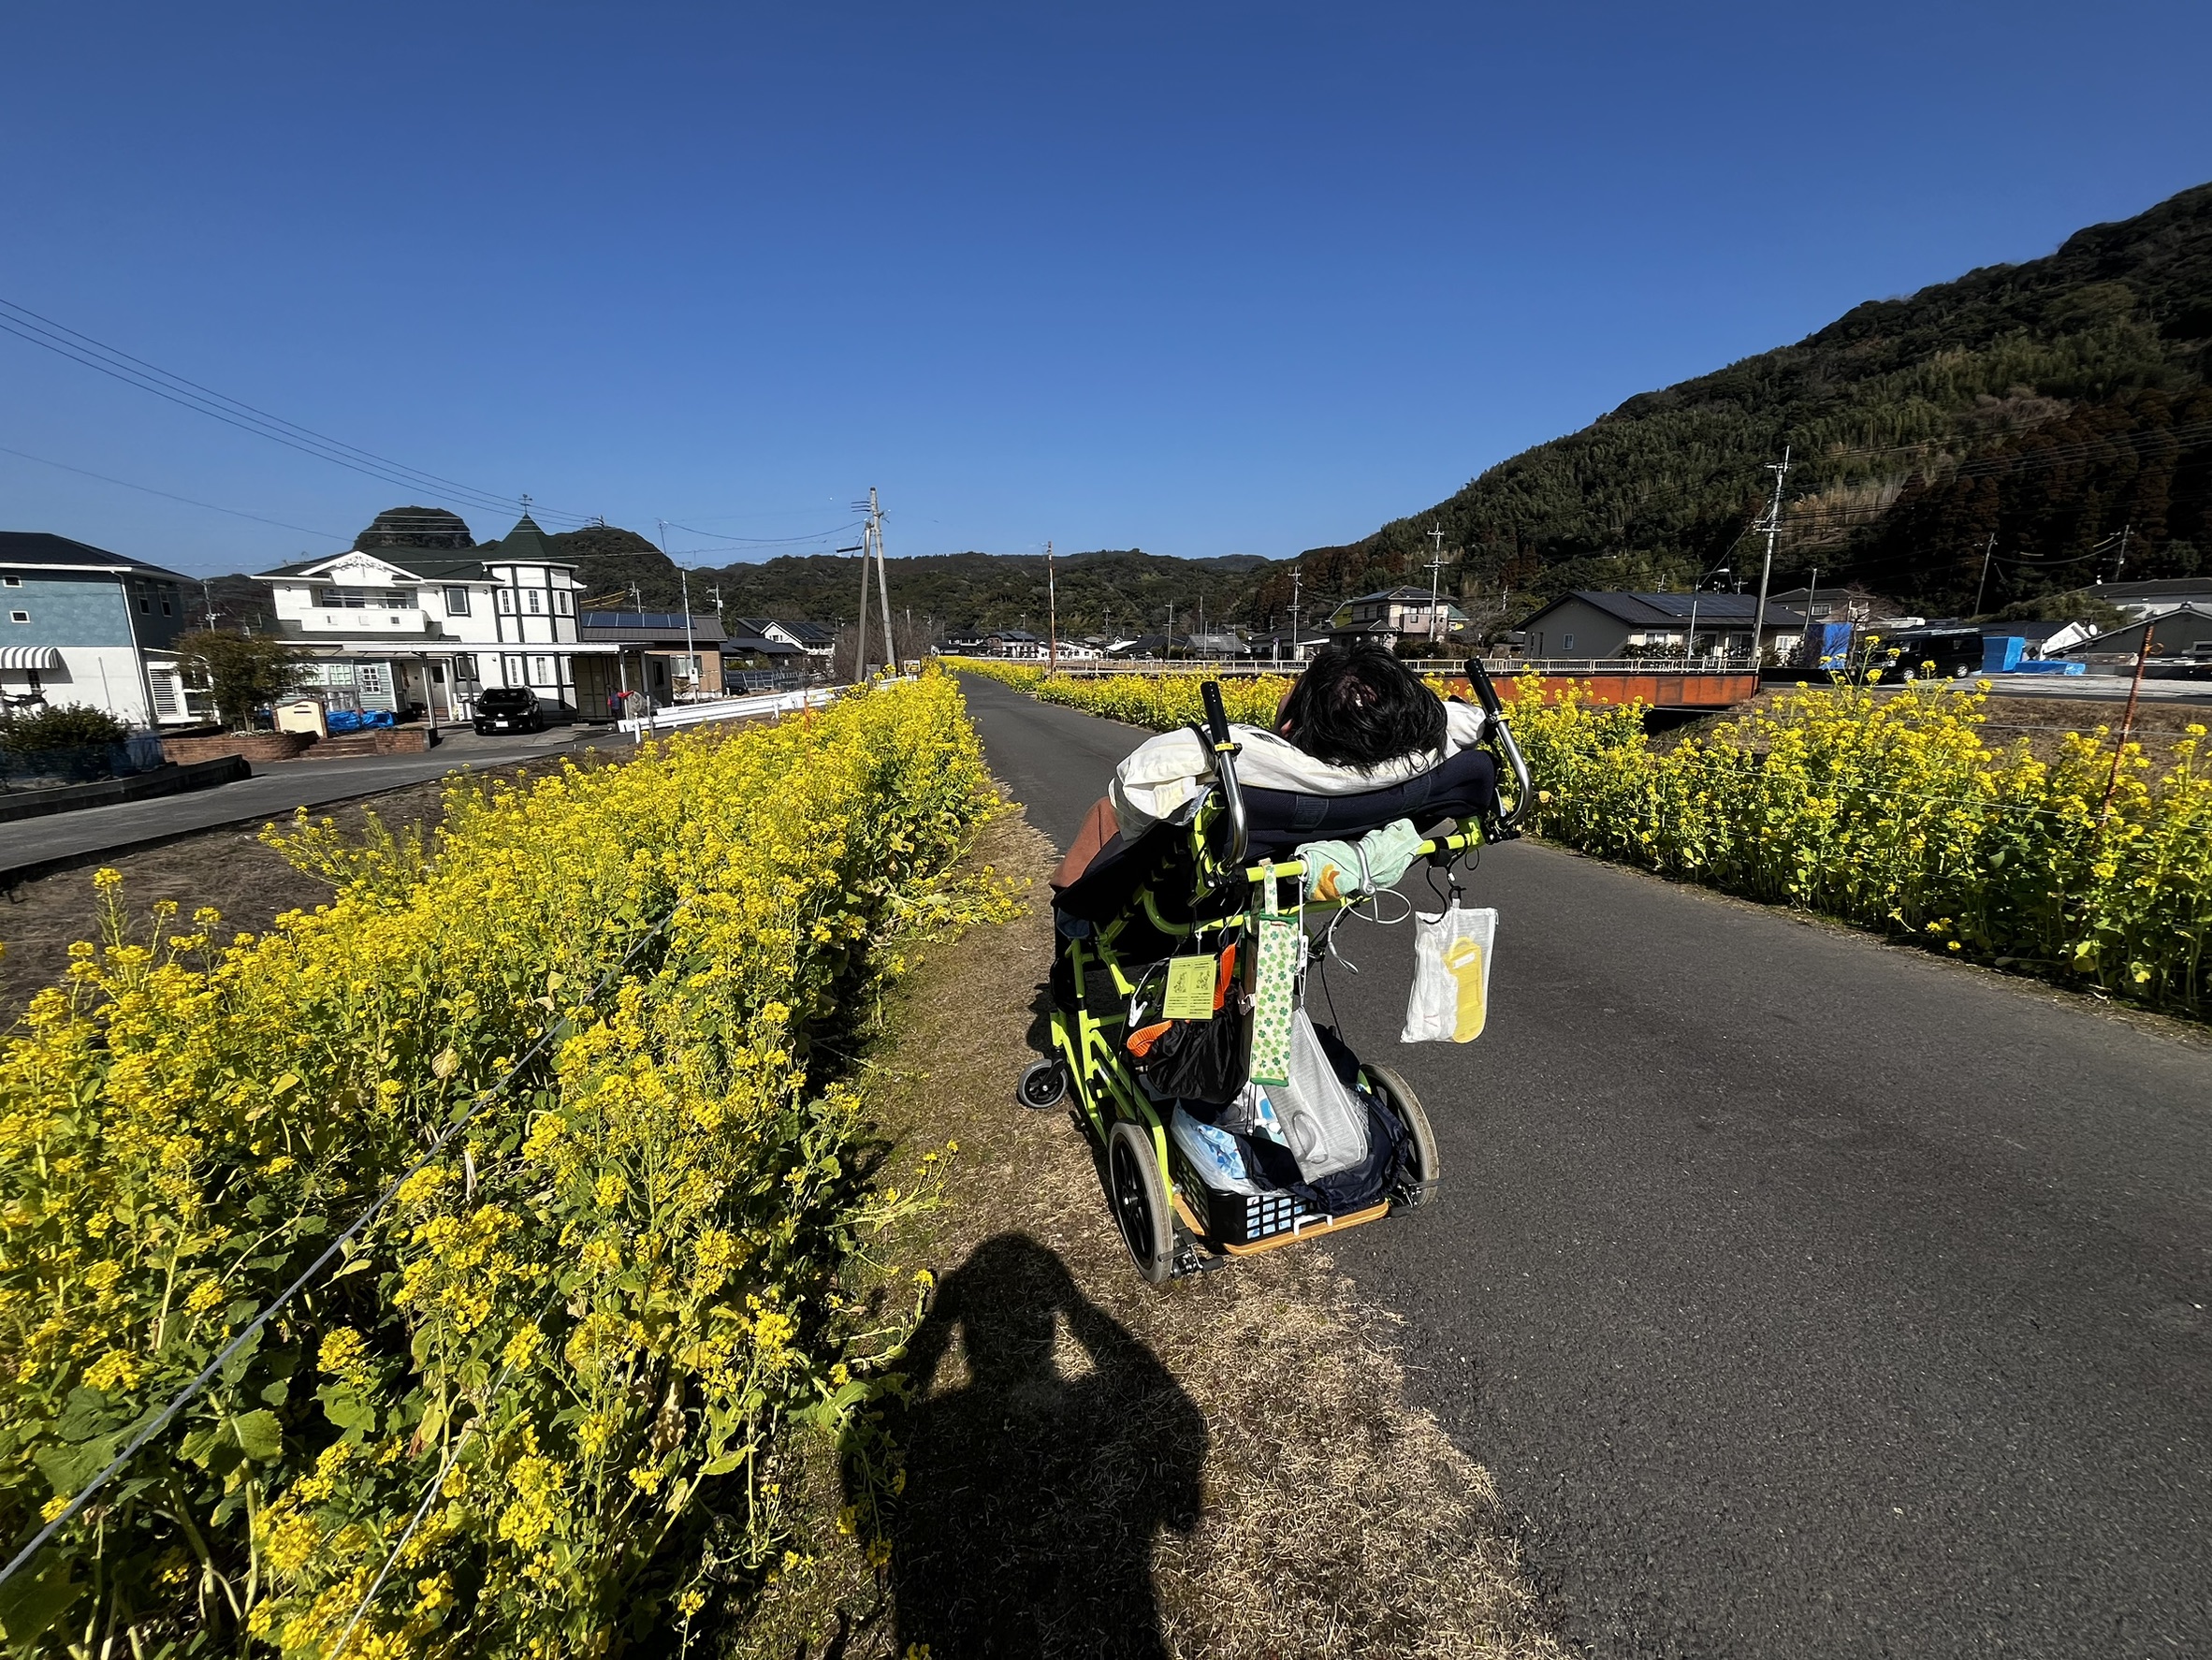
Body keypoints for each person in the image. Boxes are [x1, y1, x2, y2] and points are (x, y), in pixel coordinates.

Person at [1050, 641, 1489, 891]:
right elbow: (1464, 720)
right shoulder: (1425, 762)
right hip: (1295, 852)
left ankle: (1070, 911)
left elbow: (1138, 781)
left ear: (1299, 717)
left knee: (1108, 811)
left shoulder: (1244, 760)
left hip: (1189, 886)